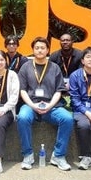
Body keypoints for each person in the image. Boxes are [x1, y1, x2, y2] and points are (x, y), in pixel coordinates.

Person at [17, 37, 73, 171]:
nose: (40, 50)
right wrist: (33, 105)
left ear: (48, 50)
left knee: (67, 118)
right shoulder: (26, 67)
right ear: (33, 50)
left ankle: (58, 156)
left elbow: (59, 90)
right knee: (22, 117)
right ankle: (28, 154)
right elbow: (22, 90)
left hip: (51, 106)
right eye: (37, 48)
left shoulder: (54, 67)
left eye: (42, 48)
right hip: (31, 105)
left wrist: (49, 105)